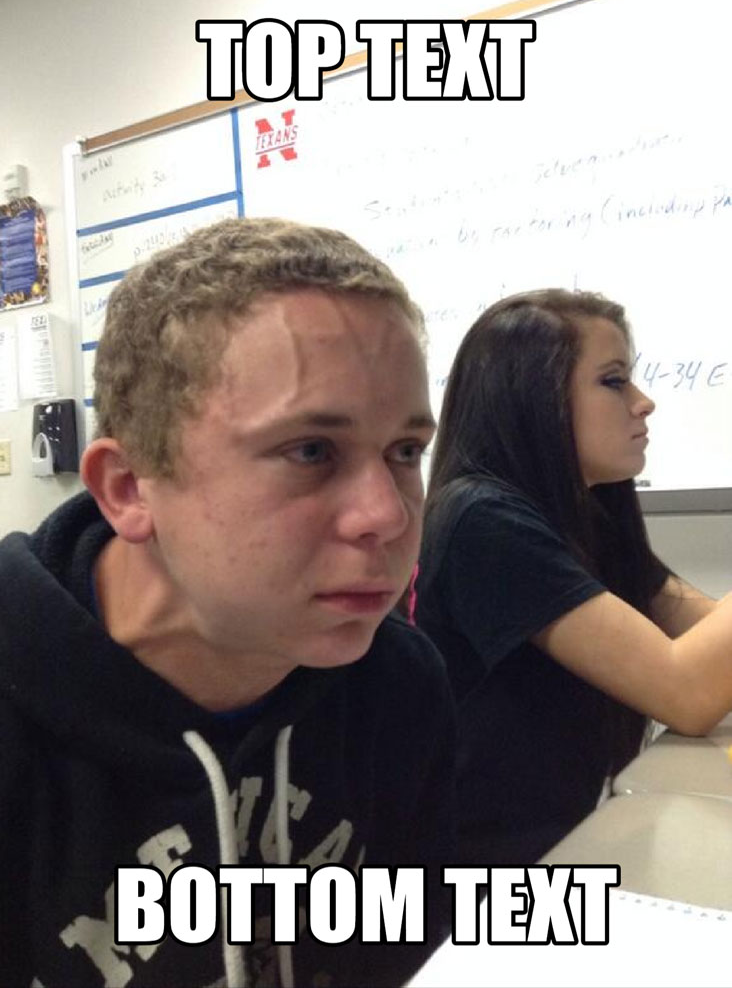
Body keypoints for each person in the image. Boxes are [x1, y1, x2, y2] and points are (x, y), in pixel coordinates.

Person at [0, 217, 456, 988]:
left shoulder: (397, 683)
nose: (387, 514)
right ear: (127, 489)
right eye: (312, 451)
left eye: (405, 452)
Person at [414, 287, 732, 867]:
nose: (643, 403)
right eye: (614, 382)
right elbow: (685, 693)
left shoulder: (587, 510)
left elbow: (707, 634)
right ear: (534, 398)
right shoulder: (480, 519)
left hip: (581, 831)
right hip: (494, 879)